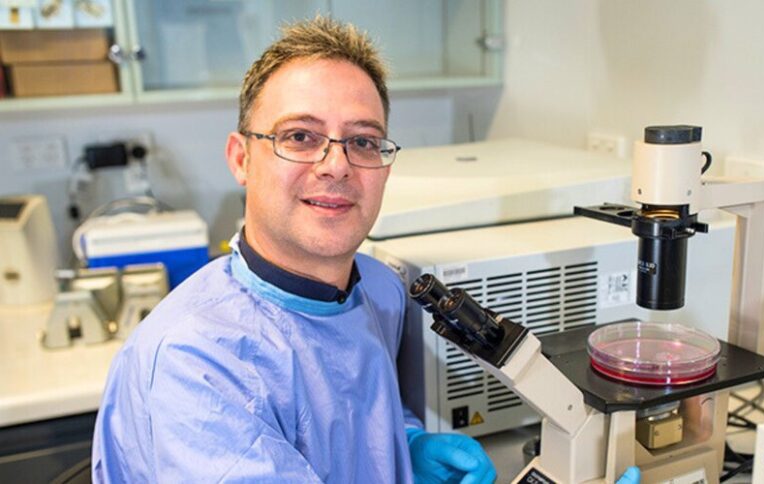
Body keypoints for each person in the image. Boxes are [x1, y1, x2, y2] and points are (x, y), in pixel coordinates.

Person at [91, 15, 640, 484]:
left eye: (362, 141)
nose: (336, 165)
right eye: (300, 136)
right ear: (241, 158)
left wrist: (405, 444)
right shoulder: (197, 364)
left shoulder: (378, 289)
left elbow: (352, 411)